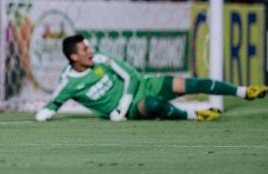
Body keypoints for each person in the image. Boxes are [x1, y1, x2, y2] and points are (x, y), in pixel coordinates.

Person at [36, 34, 267, 122]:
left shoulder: (101, 59)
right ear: (73, 56)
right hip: (133, 108)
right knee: (154, 105)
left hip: (143, 85)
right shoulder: (68, 82)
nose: (90, 51)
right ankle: (196, 115)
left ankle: (244, 91)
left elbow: (133, 77)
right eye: (84, 49)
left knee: (193, 83)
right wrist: (45, 113)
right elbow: (52, 104)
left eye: (89, 46)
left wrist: (121, 105)